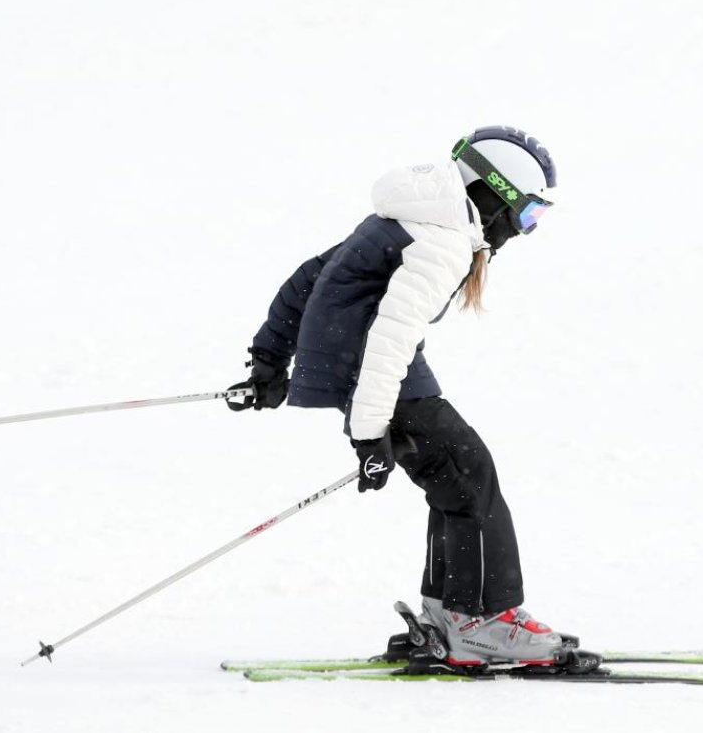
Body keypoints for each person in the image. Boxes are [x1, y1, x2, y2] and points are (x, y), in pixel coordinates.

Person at [230, 125, 566, 666]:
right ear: (494, 192)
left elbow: (309, 279)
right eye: (527, 214)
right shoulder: (444, 239)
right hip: (370, 369)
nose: (524, 231)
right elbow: (389, 338)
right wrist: (368, 433)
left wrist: (270, 360)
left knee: (457, 478)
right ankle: (481, 621)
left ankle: (451, 612)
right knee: (469, 473)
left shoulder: (413, 216)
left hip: (366, 365)